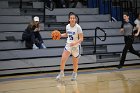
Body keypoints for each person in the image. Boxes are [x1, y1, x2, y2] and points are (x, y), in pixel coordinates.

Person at [56, 12, 83, 81]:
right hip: (68, 45)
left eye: (73, 18)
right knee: (63, 59)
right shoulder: (67, 26)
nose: (72, 19)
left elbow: (81, 39)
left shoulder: (78, 27)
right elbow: (67, 34)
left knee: (75, 63)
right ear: (69, 19)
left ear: (75, 19)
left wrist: (74, 43)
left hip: (76, 47)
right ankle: (61, 73)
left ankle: (75, 73)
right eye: (71, 18)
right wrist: (60, 35)